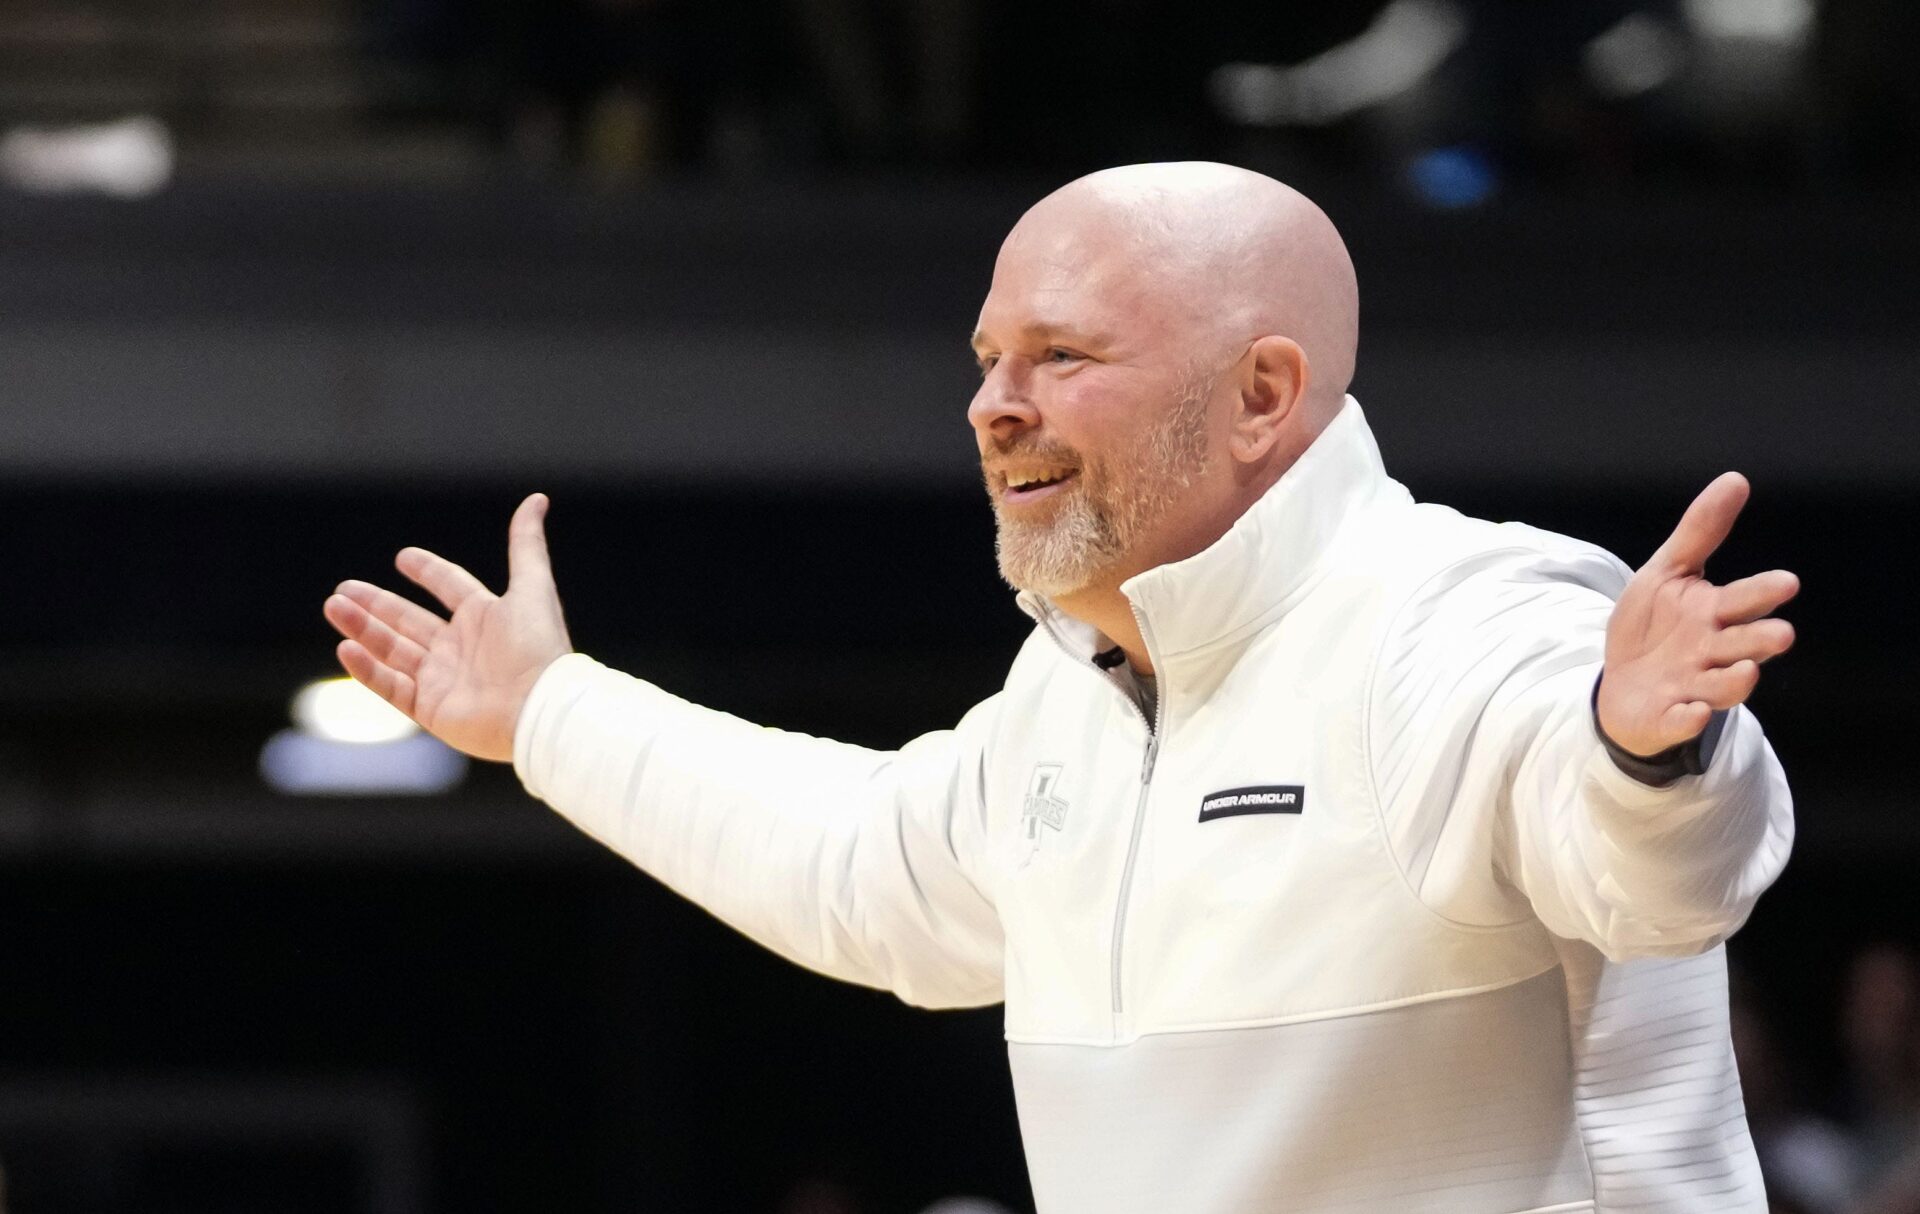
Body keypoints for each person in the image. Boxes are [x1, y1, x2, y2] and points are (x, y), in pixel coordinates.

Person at [323, 162, 1799, 1213]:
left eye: (1060, 354)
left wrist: (1648, 748)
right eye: (985, 357)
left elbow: (1648, 868)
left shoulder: (1460, 617)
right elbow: (848, 858)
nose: (991, 405)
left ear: (1263, 395)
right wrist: (547, 714)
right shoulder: (1069, 696)